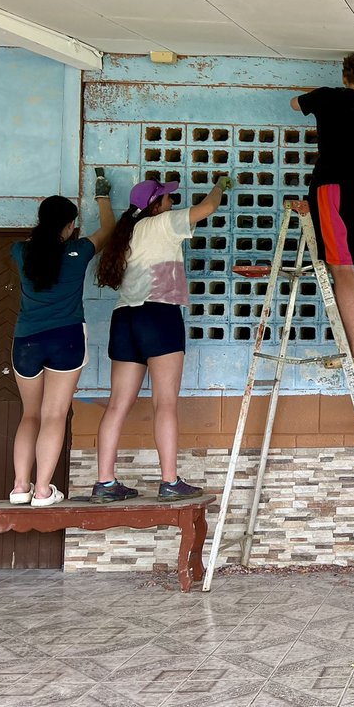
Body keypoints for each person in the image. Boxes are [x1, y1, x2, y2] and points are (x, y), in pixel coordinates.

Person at [92, 175, 230, 502]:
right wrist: (222, 185)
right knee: (164, 403)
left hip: (125, 318)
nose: (172, 202)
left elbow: (108, 221)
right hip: (159, 315)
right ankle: (169, 482)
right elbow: (208, 207)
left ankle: (105, 483)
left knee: (116, 406)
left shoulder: (124, 233)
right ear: (156, 205)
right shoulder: (163, 223)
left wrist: (101, 197)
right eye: (167, 198)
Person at [9, 174, 116, 507]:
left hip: (26, 341)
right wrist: (102, 198)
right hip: (66, 339)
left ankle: (19, 487)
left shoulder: (20, 251)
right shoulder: (79, 251)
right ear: (70, 225)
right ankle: (43, 491)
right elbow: (108, 229)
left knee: (30, 415)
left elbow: (37, 242)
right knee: (54, 414)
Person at [291, 52, 354, 367]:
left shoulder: (328, 97)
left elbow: (295, 104)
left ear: (344, 77)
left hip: (332, 187)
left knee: (341, 270)